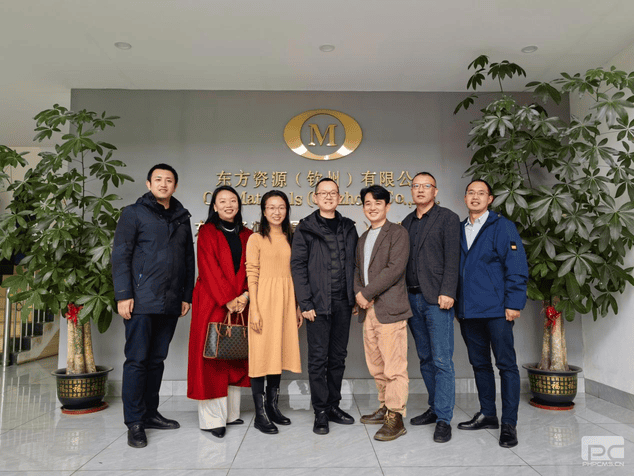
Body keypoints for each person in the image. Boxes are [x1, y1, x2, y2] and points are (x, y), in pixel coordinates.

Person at [112, 163, 195, 449]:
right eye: (158, 179)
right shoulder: (133, 213)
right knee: (137, 360)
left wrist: (186, 296)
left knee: (157, 360)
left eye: (168, 180)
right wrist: (124, 294)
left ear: (175, 185)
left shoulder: (182, 217)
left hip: (170, 301)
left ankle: (150, 413)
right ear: (148, 184)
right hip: (141, 300)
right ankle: (134, 421)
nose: (163, 184)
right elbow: (120, 255)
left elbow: (188, 259)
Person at [456, 179, 528, 448]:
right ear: (465, 198)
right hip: (468, 310)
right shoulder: (459, 229)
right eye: (471, 193)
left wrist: (514, 303)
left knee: (506, 366)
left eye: (481, 193)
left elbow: (517, 266)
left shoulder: (502, 226)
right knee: (480, 364)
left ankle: (509, 424)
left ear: (490, 199)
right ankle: (488, 414)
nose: (475, 197)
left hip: (498, 310)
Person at [291, 178, 358, 435]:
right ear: (315, 197)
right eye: (323, 193)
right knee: (318, 359)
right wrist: (305, 302)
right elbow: (298, 267)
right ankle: (320, 411)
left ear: (339, 197)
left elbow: (356, 264)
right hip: (316, 305)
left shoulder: (348, 227)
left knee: (338, 357)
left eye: (333, 193)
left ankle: (333, 406)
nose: (328, 197)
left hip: (343, 303)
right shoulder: (305, 228)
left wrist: (354, 297)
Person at [187, 186, 252, 438]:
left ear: (239, 205)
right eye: (222, 201)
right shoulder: (206, 232)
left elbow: (252, 269)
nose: (228, 205)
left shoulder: (248, 234)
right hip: (212, 302)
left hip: (240, 303)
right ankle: (213, 419)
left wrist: (245, 296)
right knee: (211, 357)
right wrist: (228, 299)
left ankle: (230, 414)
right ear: (214, 206)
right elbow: (209, 268)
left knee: (233, 354)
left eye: (232, 200)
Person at [401, 172, 460, 443]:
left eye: (426, 186)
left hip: (437, 299)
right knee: (425, 358)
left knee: (441, 360)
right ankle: (434, 408)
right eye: (416, 186)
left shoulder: (447, 218)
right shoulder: (406, 222)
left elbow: (453, 258)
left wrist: (448, 291)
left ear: (435, 191)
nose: (420, 190)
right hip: (412, 299)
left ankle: (444, 419)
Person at [355, 185, 411, 442]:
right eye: (368, 203)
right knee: (376, 365)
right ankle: (385, 407)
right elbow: (356, 271)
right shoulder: (363, 238)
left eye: (378, 203)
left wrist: (366, 293)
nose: (373, 207)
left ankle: (396, 416)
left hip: (390, 308)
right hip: (368, 311)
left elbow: (394, 269)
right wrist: (359, 294)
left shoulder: (398, 233)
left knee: (394, 367)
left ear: (387, 206)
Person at [246, 190, 302, 434]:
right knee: (260, 356)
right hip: (263, 302)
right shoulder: (255, 239)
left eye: (281, 207)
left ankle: (273, 407)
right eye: (271, 207)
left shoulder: (293, 238)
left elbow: (298, 273)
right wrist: (255, 310)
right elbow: (252, 274)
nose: (276, 212)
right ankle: (260, 414)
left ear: (287, 210)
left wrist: (298, 306)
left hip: (286, 302)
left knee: (277, 354)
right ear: (264, 210)